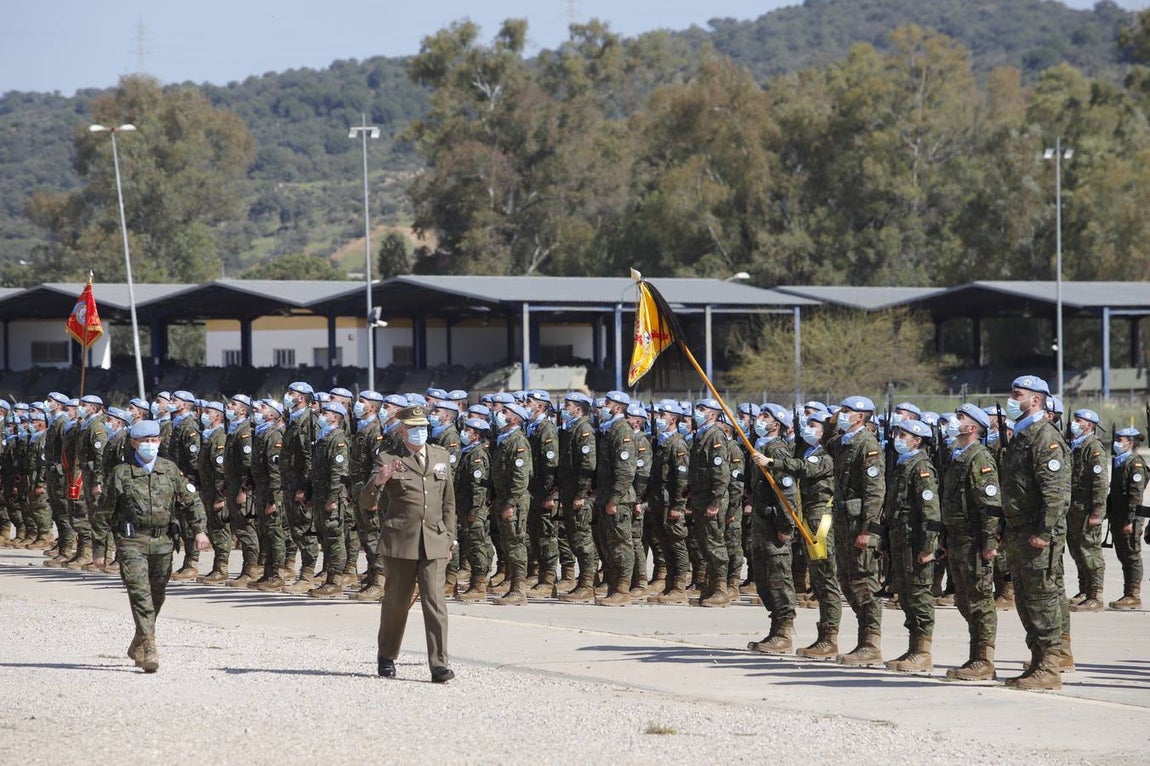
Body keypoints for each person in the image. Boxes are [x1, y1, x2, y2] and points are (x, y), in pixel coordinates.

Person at [95, 420, 209, 673]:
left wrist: (199, 530)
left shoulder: (169, 470)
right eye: (145, 441)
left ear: (159, 441)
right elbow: (104, 513)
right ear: (134, 443)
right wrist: (99, 550)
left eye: (154, 440)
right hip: (131, 542)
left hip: (163, 542)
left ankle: (138, 641)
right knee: (140, 593)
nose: (150, 444)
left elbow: (191, 501)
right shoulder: (121, 473)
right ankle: (149, 647)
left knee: (157, 594)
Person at [363, 405, 456, 683]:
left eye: (423, 427)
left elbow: (448, 502)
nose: (420, 432)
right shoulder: (388, 458)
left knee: (435, 602)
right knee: (396, 602)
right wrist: (379, 480)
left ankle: (439, 664)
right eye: (414, 428)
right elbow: (366, 501)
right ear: (402, 431)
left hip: (434, 540)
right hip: (401, 541)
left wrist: (450, 537)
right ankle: (387, 656)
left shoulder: (440, 455)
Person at [1000, 375, 1071, 690]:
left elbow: (1056, 494)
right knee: (1026, 600)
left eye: (1018, 395)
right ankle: (1038, 661)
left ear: (1036, 400)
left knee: (1042, 598)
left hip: (1037, 533)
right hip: (1019, 531)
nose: (1012, 400)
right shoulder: (1022, 435)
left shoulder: (1045, 437)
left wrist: (1044, 531)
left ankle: (1050, 667)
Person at [940, 403, 1001, 681]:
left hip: (974, 540)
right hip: (957, 538)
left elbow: (989, 504)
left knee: (980, 600)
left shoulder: (980, 458)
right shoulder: (959, 456)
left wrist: (989, 542)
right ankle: (975, 655)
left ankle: (984, 660)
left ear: (973, 427)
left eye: (960, 418)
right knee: (964, 600)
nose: (955, 422)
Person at [882, 419, 941, 674]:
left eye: (903, 435)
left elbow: (930, 510)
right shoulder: (902, 464)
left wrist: (928, 546)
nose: (898, 439)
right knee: (906, 596)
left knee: (919, 596)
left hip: (916, 542)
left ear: (917, 441)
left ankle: (923, 652)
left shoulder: (921, 467)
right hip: (901, 540)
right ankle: (913, 648)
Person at [1067, 409, 1108, 612]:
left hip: (1087, 510)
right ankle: (1084, 591)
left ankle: (1095, 596)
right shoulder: (1074, 445)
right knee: (1078, 551)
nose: (1073, 423)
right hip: (1074, 510)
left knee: (1091, 553)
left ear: (1089, 425)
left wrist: (1097, 512)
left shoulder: (1093, 447)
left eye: (1078, 420)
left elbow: (1100, 481)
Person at [1107, 427, 1146, 610]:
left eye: (1119, 439)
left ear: (1130, 443)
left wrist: (1130, 520)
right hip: (1119, 515)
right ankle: (1127, 593)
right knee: (1123, 555)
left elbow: (1135, 495)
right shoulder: (1119, 461)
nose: (1116, 442)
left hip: (1130, 517)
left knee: (1131, 555)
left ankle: (1133, 595)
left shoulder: (1135, 464)